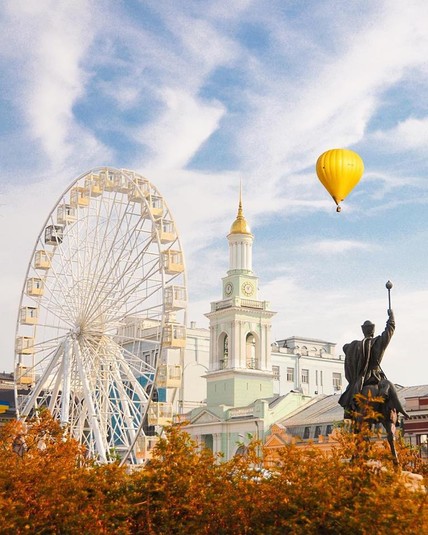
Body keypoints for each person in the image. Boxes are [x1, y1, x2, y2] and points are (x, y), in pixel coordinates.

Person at [339, 309, 408, 418]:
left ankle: (348, 415)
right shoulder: (378, 343)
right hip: (375, 378)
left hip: (359, 382)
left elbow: (345, 348)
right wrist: (391, 317)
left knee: (349, 399)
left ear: (363, 331)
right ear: (373, 331)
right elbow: (389, 331)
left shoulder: (354, 346)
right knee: (389, 387)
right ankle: (398, 412)